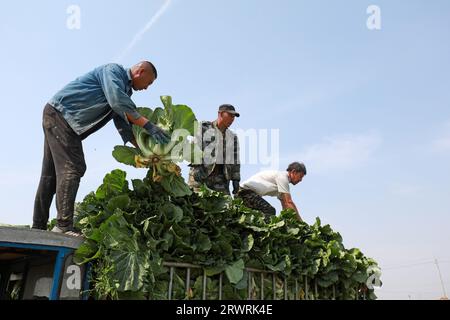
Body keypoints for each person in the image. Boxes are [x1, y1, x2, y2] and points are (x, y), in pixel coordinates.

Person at [32, 61, 170, 236]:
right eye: (148, 83)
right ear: (140, 72)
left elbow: (122, 122)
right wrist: (149, 126)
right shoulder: (113, 71)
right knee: (73, 167)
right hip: (61, 115)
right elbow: (117, 102)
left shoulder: (124, 89)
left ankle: (38, 226)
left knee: (50, 174)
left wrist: (142, 149)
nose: (147, 88)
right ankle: (64, 225)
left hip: (60, 117)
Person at [188, 104, 241, 195]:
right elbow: (194, 148)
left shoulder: (232, 137)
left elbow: (235, 160)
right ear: (220, 114)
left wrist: (236, 179)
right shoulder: (203, 128)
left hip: (221, 180)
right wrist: (196, 167)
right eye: (230, 115)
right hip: (201, 175)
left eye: (234, 117)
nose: (232, 119)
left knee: (224, 207)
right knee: (195, 205)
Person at [237, 162, 307, 221]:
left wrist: (287, 220)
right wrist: (300, 221)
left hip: (249, 194)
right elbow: (289, 202)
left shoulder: (282, 184)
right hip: (245, 192)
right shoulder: (283, 177)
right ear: (293, 172)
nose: (300, 180)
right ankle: (262, 234)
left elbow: (285, 204)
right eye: (300, 176)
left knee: (257, 215)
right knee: (269, 210)